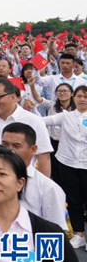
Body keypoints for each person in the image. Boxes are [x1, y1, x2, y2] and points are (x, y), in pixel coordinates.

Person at [40, 85, 87, 250]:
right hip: (68, 163)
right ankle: (79, 234)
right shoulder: (66, 116)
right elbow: (43, 121)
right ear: (74, 97)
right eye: (79, 96)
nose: (82, 99)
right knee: (73, 200)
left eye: (85, 97)